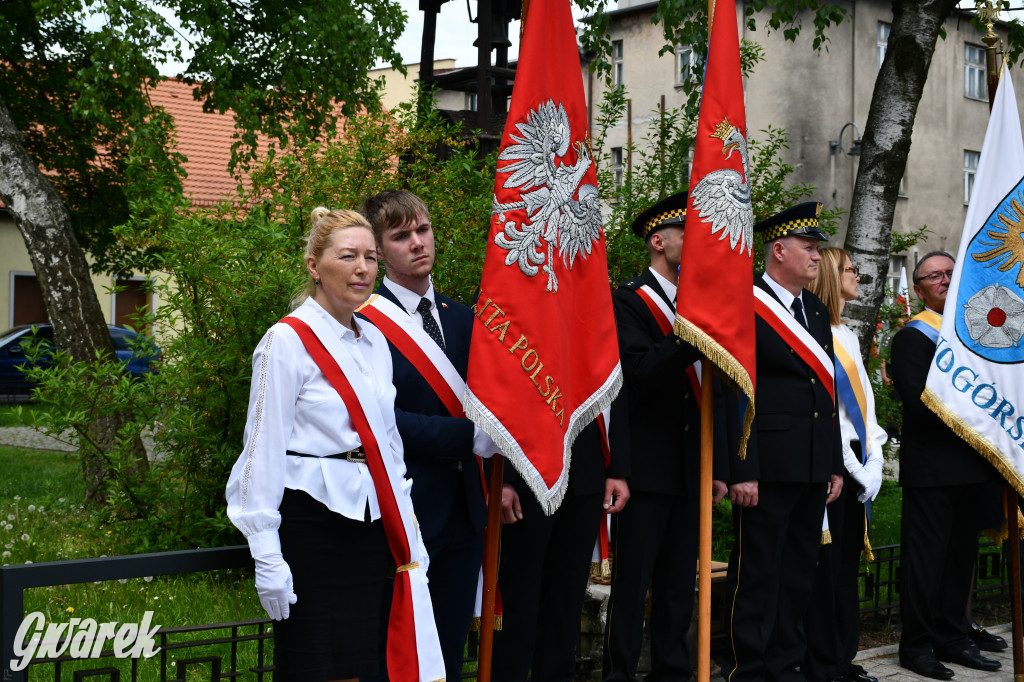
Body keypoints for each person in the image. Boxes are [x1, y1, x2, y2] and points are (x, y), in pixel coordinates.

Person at [225, 207, 438, 681]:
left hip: (372, 527)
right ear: (314, 265)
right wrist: (265, 551)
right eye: (348, 256)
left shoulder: (375, 343)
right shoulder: (287, 340)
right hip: (312, 527)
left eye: (370, 257)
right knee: (317, 668)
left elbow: (388, 443)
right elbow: (262, 449)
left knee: (367, 667)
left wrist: (409, 527)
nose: (362, 269)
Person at [359, 189, 498, 681]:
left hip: (467, 507)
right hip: (404, 509)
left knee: (449, 649)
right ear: (378, 251)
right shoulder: (364, 326)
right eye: (400, 236)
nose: (418, 243)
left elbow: (491, 407)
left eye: (423, 230)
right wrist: (468, 438)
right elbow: (381, 422)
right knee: (395, 651)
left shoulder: (467, 318)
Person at [720, 202, 844, 682]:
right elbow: (734, 389)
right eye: (810, 249)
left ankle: (784, 663)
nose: (817, 258)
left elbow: (826, 391)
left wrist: (832, 463)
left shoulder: (813, 308)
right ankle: (747, 669)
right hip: (766, 462)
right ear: (779, 249)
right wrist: (742, 467)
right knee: (757, 573)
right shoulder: (745, 301)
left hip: (812, 462)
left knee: (797, 571)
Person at [602, 191, 709, 682]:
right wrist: (691, 335)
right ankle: (620, 674)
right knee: (633, 586)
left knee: (677, 588)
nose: (699, 240)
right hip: (646, 467)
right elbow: (642, 374)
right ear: (659, 241)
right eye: (687, 232)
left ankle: (672, 673)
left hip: (691, 466)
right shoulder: (628, 301)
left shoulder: (698, 303)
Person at [891, 250, 1001, 680]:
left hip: (972, 468)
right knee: (925, 564)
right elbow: (919, 405)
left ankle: (954, 639)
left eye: (949, 273)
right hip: (933, 472)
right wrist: (976, 416)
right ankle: (916, 647)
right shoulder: (912, 337)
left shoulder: (973, 334)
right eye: (932, 276)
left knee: (960, 561)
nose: (942, 279)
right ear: (918, 290)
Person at [491, 417, 630, 682]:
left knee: (566, 602)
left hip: (587, 467)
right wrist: (502, 475)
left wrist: (617, 468)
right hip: (528, 464)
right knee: (518, 598)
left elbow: (612, 383)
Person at [803, 247, 887, 682]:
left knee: (847, 567)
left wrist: (876, 457)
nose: (858, 276)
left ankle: (842, 659)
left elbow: (865, 408)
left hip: (860, 464)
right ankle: (823, 663)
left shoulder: (848, 334)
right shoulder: (816, 332)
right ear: (833, 277)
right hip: (836, 464)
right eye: (852, 270)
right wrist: (853, 465)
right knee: (827, 568)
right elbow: (828, 411)